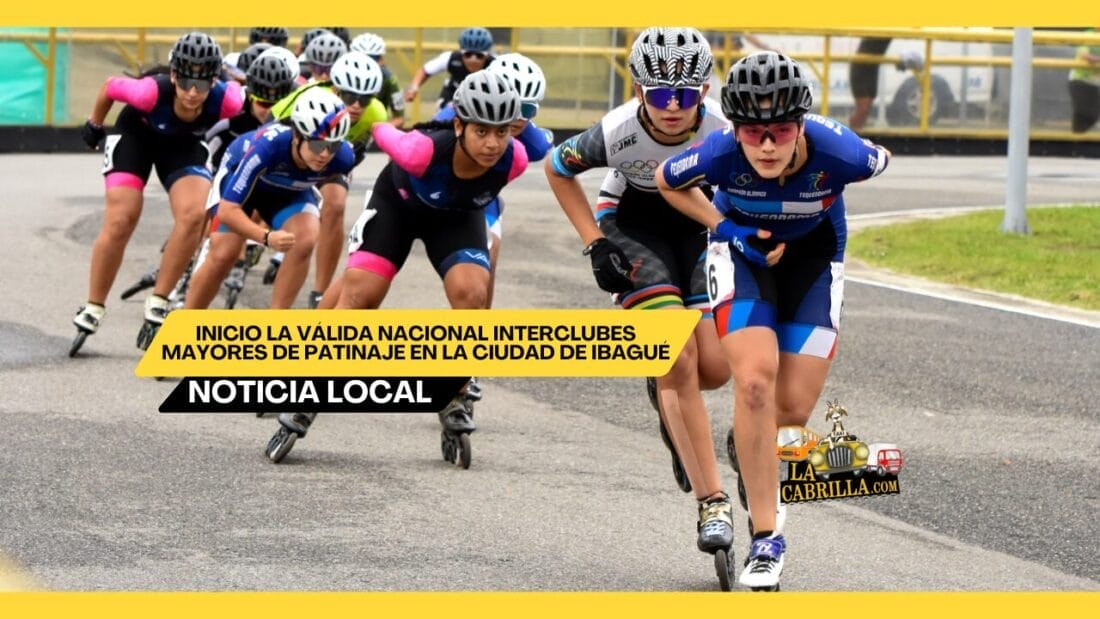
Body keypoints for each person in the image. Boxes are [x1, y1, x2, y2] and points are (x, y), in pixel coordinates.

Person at [656, 51, 891, 590]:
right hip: (745, 257)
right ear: (734, 127)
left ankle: (750, 443)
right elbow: (669, 180)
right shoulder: (717, 152)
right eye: (752, 131)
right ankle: (766, 541)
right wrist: (723, 226)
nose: (765, 145)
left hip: (813, 265)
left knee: (790, 411)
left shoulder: (842, 153)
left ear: (801, 125)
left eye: (781, 130)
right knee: (755, 384)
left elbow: (883, 157)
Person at [544, 26, 736, 580]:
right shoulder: (616, 131)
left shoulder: (725, 125)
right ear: (637, 90)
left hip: (699, 227)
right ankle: (713, 504)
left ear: (704, 90)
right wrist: (593, 242)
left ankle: (668, 398)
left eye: (686, 94)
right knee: (678, 357)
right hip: (630, 226)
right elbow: (556, 168)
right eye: (659, 95)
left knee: (717, 370)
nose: (673, 108)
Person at [266, 71, 528, 466]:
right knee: (359, 299)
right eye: (480, 131)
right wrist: (374, 123)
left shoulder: (516, 159)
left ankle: (454, 393)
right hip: (397, 208)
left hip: (456, 220)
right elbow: (383, 130)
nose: (492, 143)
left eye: (502, 132)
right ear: (459, 125)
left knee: (473, 295)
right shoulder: (420, 150)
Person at [71, 32, 243, 356]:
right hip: (136, 136)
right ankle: (93, 305)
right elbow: (110, 86)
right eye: (186, 82)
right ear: (174, 74)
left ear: (213, 81)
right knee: (122, 218)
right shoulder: (150, 92)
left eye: (203, 85)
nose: (193, 93)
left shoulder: (228, 99)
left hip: (181, 146)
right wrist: (95, 124)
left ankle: (160, 301)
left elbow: (241, 93)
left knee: (194, 216)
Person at [183, 88, 353, 311]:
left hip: (287, 191)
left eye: (333, 145)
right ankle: (188, 319)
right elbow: (227, 210)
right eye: (317, 145)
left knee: (305, 239)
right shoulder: (267, 148)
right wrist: (265, 237)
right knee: (225, 253)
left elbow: (332, 199)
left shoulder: (343, 158)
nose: (324, 154)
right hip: (244, 181)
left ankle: (275, 323)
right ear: (297, 135)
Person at [404, 27, 495, 110]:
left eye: (479, 56)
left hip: (483, 97)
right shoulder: (450, 58)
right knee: (443, 116)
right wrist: (414, 88)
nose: (473, 60)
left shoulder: (496, 64)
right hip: (453, 94)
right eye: (468, 54)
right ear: (461, 52)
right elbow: (425, 71)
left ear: (487, 55)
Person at [351, 32, 406, 127]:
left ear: (382, 59)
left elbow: (399, 119)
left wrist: (379, 131)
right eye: (361, 58)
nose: (367, 64)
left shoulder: (390, 79)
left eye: (373, 58)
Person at [1068, 28, 1100, 133]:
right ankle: (1075, 138)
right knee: (1083, 114)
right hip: (1080, 80)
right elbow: (1085, 55)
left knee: (1093, 114)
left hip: (1095, 83)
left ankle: (1078, 136)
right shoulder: (1088, 34)